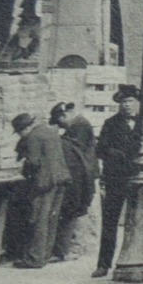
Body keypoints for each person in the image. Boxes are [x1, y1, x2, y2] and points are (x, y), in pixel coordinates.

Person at [93, 84, 142, 277]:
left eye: (130, 101)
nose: (127, 105)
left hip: (139, 178)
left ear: (137, 103)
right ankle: (103, 264)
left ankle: (141, 259)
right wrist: (114, 153)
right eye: (124, 102)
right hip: (116, 178)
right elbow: (100, 150)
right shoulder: (110, 123)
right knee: (110, 221)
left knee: (141, 219)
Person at [11, 112, 70, 268]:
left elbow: (34, 162)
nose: (19, 135)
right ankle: (44, 255)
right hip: (61, 179)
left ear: (26, 128)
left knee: (39, 219)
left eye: (19, 132)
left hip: (45, 182)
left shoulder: (33, 137)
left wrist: (23, 172)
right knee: (51, 218)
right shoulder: (50, 131)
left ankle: (34, 258)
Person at [49, 102, 98, 261]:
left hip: (81, 174)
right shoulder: (77, 126)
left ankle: (66, 250)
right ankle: (64, 249)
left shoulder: (80, 126)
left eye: (59, 122)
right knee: (71, 209)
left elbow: (72, 149)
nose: (60, 126)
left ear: (65, 115)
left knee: (71, 209)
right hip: (80, 172)